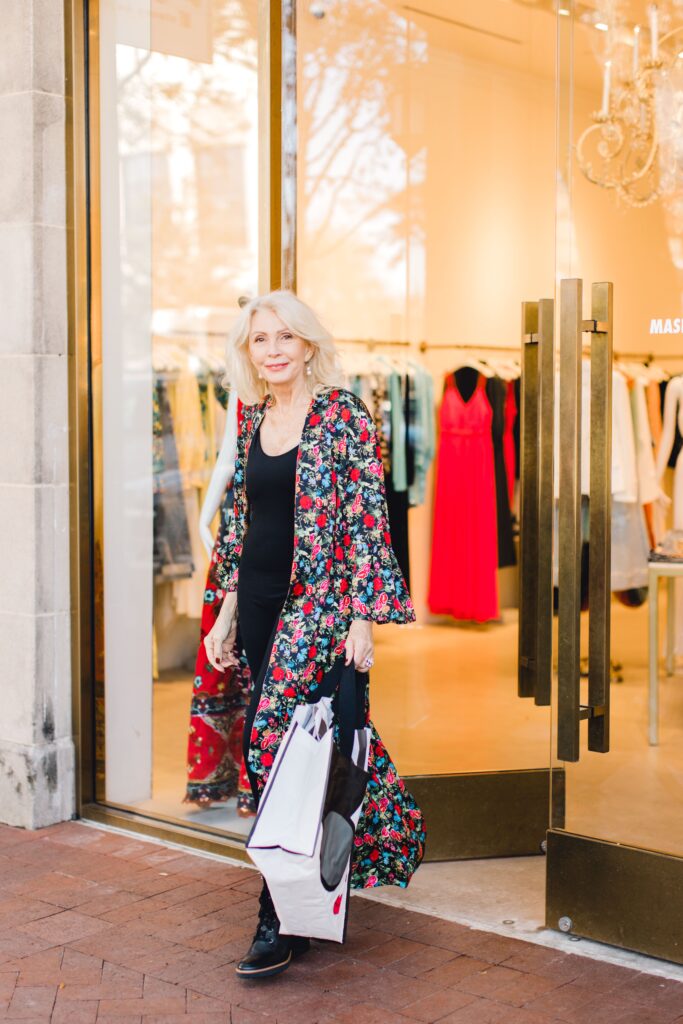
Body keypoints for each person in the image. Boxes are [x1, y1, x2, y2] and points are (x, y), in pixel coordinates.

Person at [205, 290, 425, 980]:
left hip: (319, 608)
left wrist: (363, 619)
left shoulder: (341, 417)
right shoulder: (252, 418)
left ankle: (276, 917)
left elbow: (366, 519)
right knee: (293, 753)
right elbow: (242, 526)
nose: (271, 350)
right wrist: (225, 612)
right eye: (258, 339)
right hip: (261, 606)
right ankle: (337, 866)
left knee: (272, 745)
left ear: (307, 345)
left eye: (283, 337)